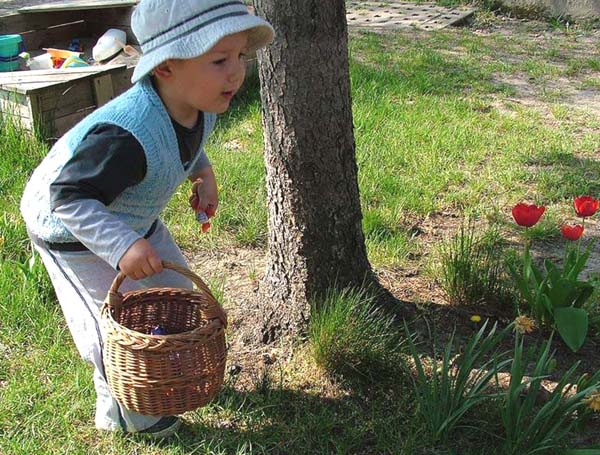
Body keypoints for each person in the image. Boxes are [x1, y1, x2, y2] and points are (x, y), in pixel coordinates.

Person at [20, 0, 274, 438]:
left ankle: (166, 373)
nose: (236, 72)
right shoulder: (125, 135)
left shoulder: (202, 102)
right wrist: (121, 245)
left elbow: (188, 139)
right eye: (219, 60)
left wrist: (203, 172)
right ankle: (127, 413)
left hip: (133, 216)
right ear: (166, 67)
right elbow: (69, 196)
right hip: (71, 228)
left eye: (240, 56)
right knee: (111, 326)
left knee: (179, 293)